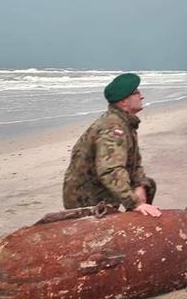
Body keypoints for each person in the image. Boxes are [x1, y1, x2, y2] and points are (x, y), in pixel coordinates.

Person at [63, 73, 162, 218]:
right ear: (124, 102)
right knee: (136, 198)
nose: (142, 96)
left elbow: (135, 164)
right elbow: (110, 170)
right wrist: (135, 203)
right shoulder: (113, 128)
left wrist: (139, 185)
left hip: (101, 188)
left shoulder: (125, 123)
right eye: (137, 93)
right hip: (87, 198)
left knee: (148, 185)